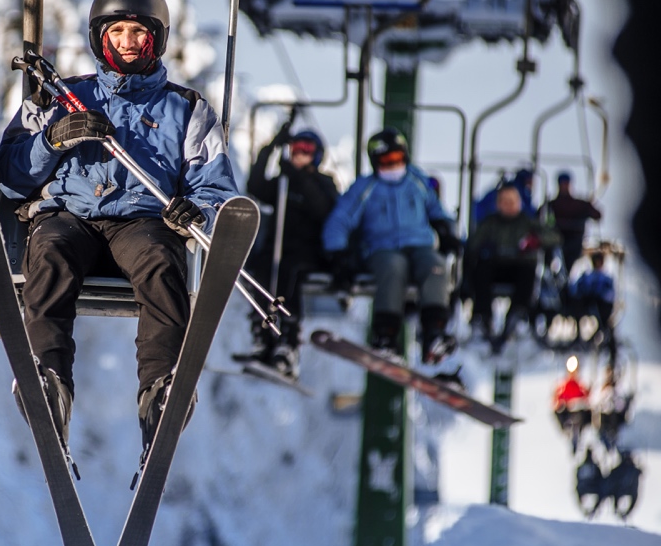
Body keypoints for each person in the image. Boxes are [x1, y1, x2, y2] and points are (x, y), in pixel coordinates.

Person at [0, 0, 240, 462]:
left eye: (139, 33)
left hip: (142, 221)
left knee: (160, 265)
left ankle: (160, 390)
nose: (128, 42)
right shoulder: (61, 97)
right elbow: (9, 178)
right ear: (98, 38)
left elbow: (214, 186)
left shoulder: (186, 109)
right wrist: (53, 141)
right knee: (50, 256)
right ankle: (48, 380)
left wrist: (199, 211)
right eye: (118, 31)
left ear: (158, 40)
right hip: (72, 214)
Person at [323, 127, 462, 363]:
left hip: (419, 245)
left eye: (397, 160)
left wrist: (446, 230)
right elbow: (340, 219)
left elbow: (437, 210)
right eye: (386, 161)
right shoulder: (366, 187)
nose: (393, 166)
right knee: (394, 268)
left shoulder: (416, 182)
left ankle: (434, 332)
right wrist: (337, 252)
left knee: (435, 266)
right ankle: (385, 335)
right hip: (382, 247)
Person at [236, 118, 339, 376]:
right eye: (295, 149)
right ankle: (263, 336)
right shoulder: (282, 183)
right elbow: (255, 185)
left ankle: (288, 341)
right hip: (276, 248)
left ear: (317, 156)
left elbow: (323, 209)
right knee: (261, 272)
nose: (300, 155)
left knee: (288, 275)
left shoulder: (323, 183)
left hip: (306, 252)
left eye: (307, 150)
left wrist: (299, 177)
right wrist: (270, 147)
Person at [464, 185, 561, 348]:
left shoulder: (527, 222)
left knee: (528, 272)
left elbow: (555, 237)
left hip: (519, 265)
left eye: (511, 201)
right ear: (498, 204)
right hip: (496, 265)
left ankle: (518, 314)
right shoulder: (491, 222)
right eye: (504, 201)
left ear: (518, 203)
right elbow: (472, 243)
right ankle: (482, 316)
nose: (508, 205)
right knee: (480, 269)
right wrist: (483, 247)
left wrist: (536, 241)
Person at [544, 171, 602, 273]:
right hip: (556, 241)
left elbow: (597, 215)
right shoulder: (552, 205)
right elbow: (539, 214)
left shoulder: (579, 205)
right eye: (562, 184)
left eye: (566, 184)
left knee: (570, 260)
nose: (564, 186)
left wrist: (588, 209)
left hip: (574, 242)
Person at [570, 250, 617, 361]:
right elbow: (576, 288)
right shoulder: (587, 276)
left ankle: (609, 349)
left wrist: (600, 294)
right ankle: (579, 338)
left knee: (605, 323)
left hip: (601, 306)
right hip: (589, 304)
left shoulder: (606, 278)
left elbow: (609, 294)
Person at [552, 358, 592, 453]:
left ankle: (578, 432)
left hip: (579, 414)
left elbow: (587, 398)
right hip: (568, 414)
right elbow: (557, 400)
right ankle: (569, 429)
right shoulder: (563, 387)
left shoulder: (580, 387)